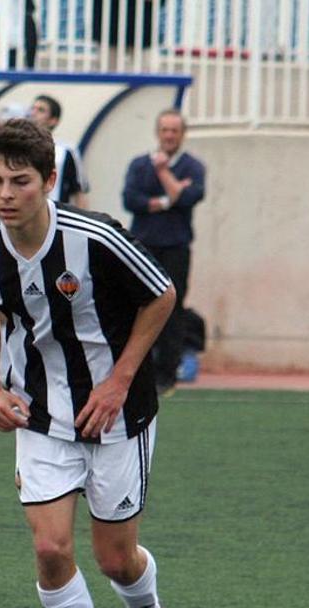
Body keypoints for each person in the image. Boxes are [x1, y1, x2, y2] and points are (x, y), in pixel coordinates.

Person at [0, 118, 181, 608]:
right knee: (51, 551)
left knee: (116, 560)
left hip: (117, 416)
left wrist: (119, 379)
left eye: (20, 181)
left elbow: (162, 295)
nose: (5, 195)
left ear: (50, 180)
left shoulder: (96, 238)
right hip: (39, 414)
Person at [122, 109, 205, 396]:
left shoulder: (193, 167)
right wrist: (167, 200)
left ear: (183, 134)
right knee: (134, 308)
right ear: (157, 132)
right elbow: (131, 200)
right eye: (165, 130)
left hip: (176, 247)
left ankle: (166, 375)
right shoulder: (138, 164)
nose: (169, 135)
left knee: (172, 308)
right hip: (143, 246)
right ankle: (134, 371)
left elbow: (188, 198)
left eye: (175, 130)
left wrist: (163, 172)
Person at [29, 94, 90, 208]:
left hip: (57, 216)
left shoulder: (66, 151)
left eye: (40, 110)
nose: (33, 113)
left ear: (53, 120)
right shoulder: (19, 148)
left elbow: (79, 191)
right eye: (32, 108)